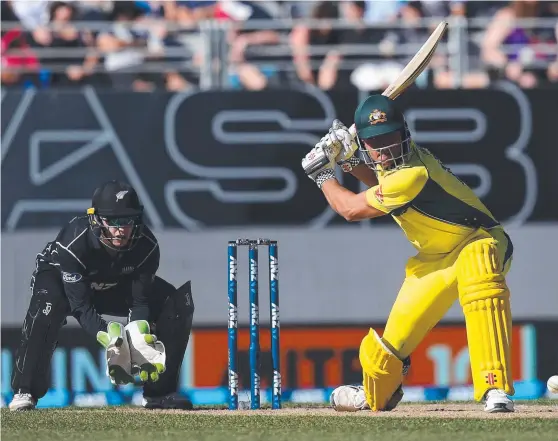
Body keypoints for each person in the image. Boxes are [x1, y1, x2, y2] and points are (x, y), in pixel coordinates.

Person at [301, 95, 515, 413]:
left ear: (405, 133)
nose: (386, 149)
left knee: (479, 267)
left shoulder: (413, 172)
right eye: (376, 142)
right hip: (434, 261)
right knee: (386, 353)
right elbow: (379, 184)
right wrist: (347, 161)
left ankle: (494, 386)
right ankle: (375, 392)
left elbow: (349, 209)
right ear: (365, 145)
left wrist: (321, 171)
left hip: (480, 240)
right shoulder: (395, 169)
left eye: (391, 138)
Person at [8, 180, 195, 411]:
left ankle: (160, 394)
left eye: (127, 221)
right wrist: (110, 338)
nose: (120, 229)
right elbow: (81, 307)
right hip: (61, 281)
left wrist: (138, 333)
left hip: (113, 285)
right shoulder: (73, 243)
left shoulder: (147, 248)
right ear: (96, 219)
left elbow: (140, 301)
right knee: (46, 306)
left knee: (175, 303)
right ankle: (25, 390)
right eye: (113, 221)